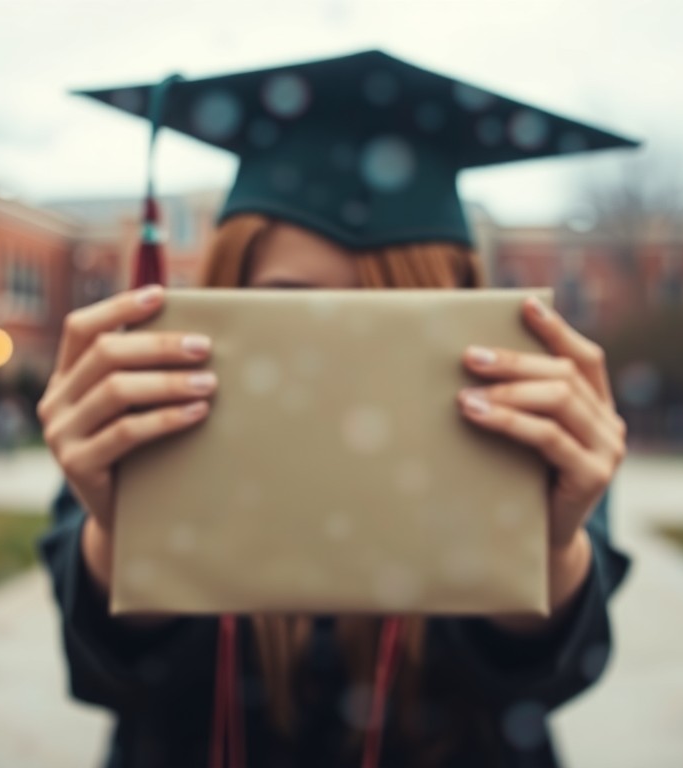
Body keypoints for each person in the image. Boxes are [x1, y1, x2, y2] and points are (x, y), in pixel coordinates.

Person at [38, 50, 634, 768]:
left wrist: (546, 546)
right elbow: (115, 673)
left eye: (401, 320)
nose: (348, 360)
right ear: (225, 295)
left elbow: (545, 679)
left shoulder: (536, 432)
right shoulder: (140, 424)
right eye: (294, 310)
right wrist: (129, 528)